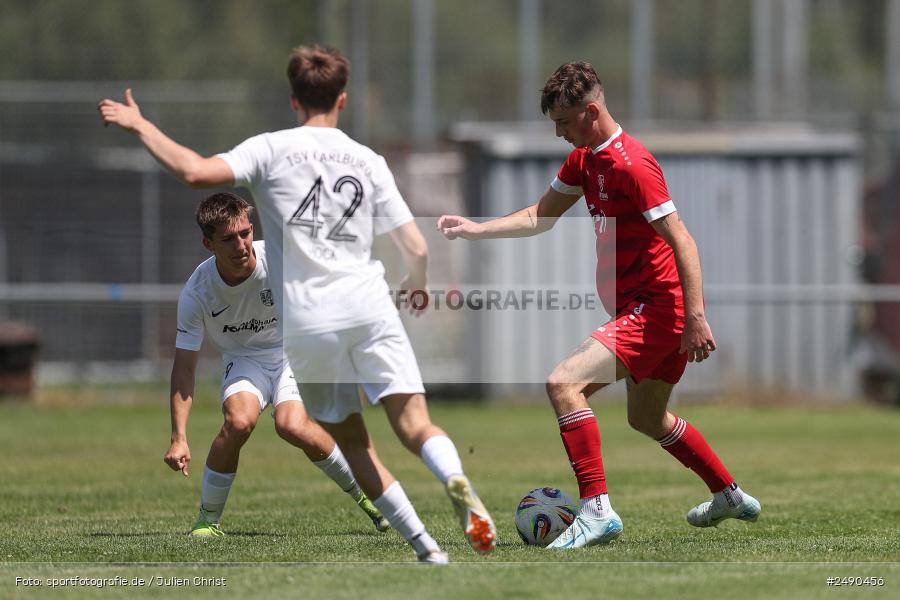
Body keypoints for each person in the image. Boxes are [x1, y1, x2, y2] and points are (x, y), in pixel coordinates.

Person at [98, 45, 494, 563]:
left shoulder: (270, 149)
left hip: (311, 320)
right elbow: (417, 247)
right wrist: (414, 283)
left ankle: (426, 548)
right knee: (415, 425)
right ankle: (455, 478)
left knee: (355, 444)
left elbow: (194, 171)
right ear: (343, 99)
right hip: (370, 303)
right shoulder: (367, 159)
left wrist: (141, 127)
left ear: (293, 100)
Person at [437, 61, 761, 549]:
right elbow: (541, 216)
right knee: (647, 419)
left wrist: (695, 317)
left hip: (657, 309)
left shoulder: (632, 164)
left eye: (564, 124)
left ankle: (596, 511)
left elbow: (683, 241)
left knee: (563, 383)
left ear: (590, 113)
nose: (559, 134)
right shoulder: (583, 161)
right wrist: (476, 228)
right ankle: (729, 494)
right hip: (646, 310)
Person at [167, 192, 388, 537]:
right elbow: (184, 368)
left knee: (291, 425)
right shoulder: (197, 293)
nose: (241, 245)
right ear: (208, 244)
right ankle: (208, 521)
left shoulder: (282, 262)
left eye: (245, 233)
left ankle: (367, 497)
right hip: (244, 361)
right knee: (238, 422)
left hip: (291, 353)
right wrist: (179, 437)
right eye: (228, 238)